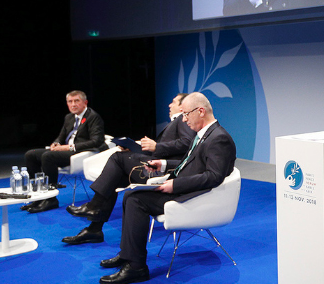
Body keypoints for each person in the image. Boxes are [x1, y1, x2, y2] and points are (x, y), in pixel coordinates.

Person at [98, 92, 236, 284]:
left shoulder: (219, 138)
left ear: (201, 111)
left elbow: (213, 176)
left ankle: (136, 267)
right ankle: (128, 254)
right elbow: (189, 163)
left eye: (187, 114)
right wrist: (162, 165)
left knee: (136, 200)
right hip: (183, 187)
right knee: (131, 195)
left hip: (192, 195)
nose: (185, 119)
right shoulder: (204, 135)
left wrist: (175, 184)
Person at [61, 93, 196, 245]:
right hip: (156, 166)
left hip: (165, 172)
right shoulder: (177, 122)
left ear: (182, 106)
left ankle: (94, 207)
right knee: (113, 178)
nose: (169, 105)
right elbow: (167, 150)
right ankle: (94, 229)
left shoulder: (183, 120)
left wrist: (157, 146)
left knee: (117, 158)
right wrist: (135, 149)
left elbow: (187, 143)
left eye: (173, 102)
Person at [23, 90, 106, 213]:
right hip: (68, 150)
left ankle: (50, 199)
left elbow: (97, 141)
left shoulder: (93, 117)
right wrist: (56, 143)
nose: (73, 104)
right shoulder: (69, 117)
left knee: (48, 156)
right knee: (30, 154)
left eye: (76, 101)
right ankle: (39, 196)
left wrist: (69, 147)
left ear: (85, 102)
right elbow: (61, 137)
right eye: (70, 102)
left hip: (83, 152)